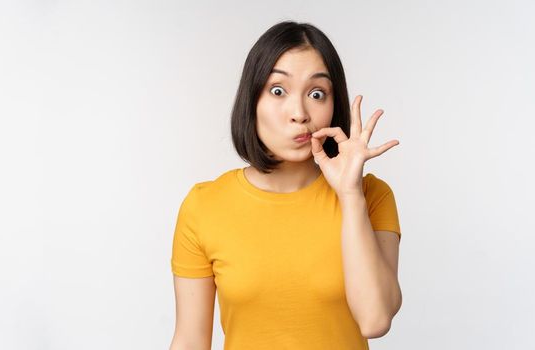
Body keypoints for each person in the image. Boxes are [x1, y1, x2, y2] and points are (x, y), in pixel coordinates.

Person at [169, 21, 402, 350]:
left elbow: (375, 320)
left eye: (317, 93)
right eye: (278, 90)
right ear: (252, 100)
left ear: (334, 106)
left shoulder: (371, 196)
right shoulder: (204, 206)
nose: (299, 113)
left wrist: (349, 195)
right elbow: (190, 340)